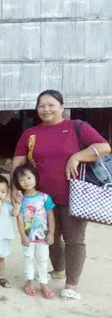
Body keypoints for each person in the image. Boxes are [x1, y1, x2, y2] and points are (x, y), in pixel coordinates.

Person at [12, 90, 110, 301]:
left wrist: (77, 156)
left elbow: (104, 147)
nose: (46, 109)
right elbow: (19, 162)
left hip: (74, 194)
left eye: (51, 105)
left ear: (62, 107)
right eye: (41, 106)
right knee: (51, 236)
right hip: (41, 197)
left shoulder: (77, 127)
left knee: (74, 239)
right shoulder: (31, 134)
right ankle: (58, 270)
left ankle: (71, 284)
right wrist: (15, 188)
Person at [12, 163, 56, 299]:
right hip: (28, 237)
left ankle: (44, 283)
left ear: (36, 178)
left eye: (29, 178)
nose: (26, 182)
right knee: (28, 258)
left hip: (43, 237)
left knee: (43, 260)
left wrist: (51, 233)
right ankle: (29, 281)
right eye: (21, 179)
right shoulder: (20, 199)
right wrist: (22, 235)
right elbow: (18, 218)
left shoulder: (45, 197)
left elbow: (50, 215)